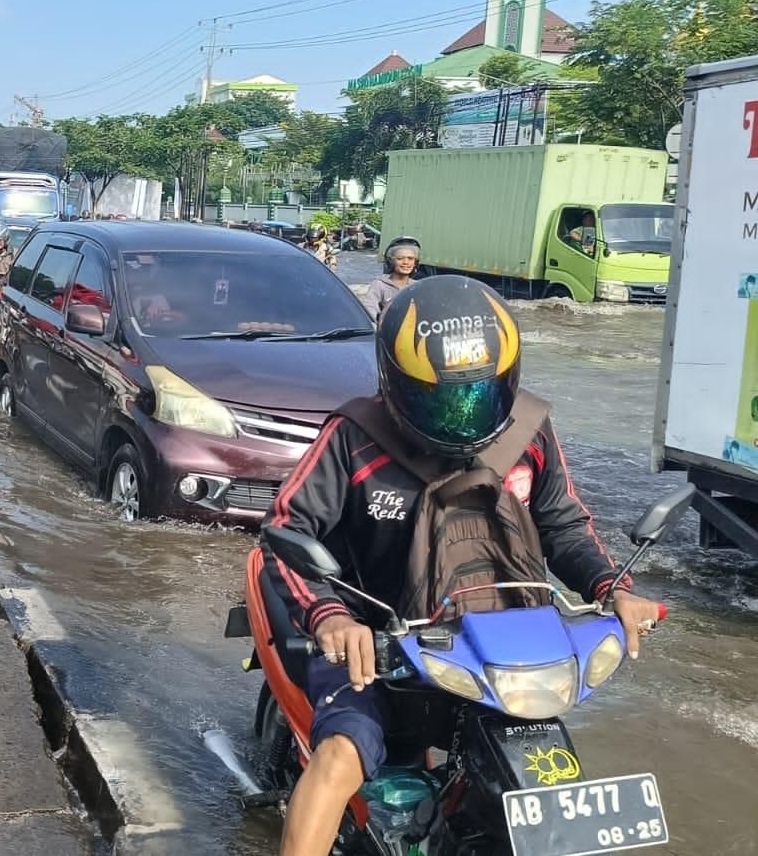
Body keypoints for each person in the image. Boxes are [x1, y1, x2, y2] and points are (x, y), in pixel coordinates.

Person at [262, 276, 664, 856]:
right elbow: (288, 531)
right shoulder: (355, 437)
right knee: (341, 757)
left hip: (499, 648)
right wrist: (331, 619)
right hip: (375, 642)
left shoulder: (529, 432)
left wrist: (616, 589)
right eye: (440, 398)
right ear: (397, 383)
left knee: (544, 771)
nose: (461, 415)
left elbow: (564, 525)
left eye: (479, 394)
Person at [361, 236, 419, 320]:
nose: (406, 262)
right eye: (400, 258)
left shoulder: (418, 286)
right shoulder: (379, 285)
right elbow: (370, 309)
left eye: (410, 259)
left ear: (415, 263)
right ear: (390, 262)